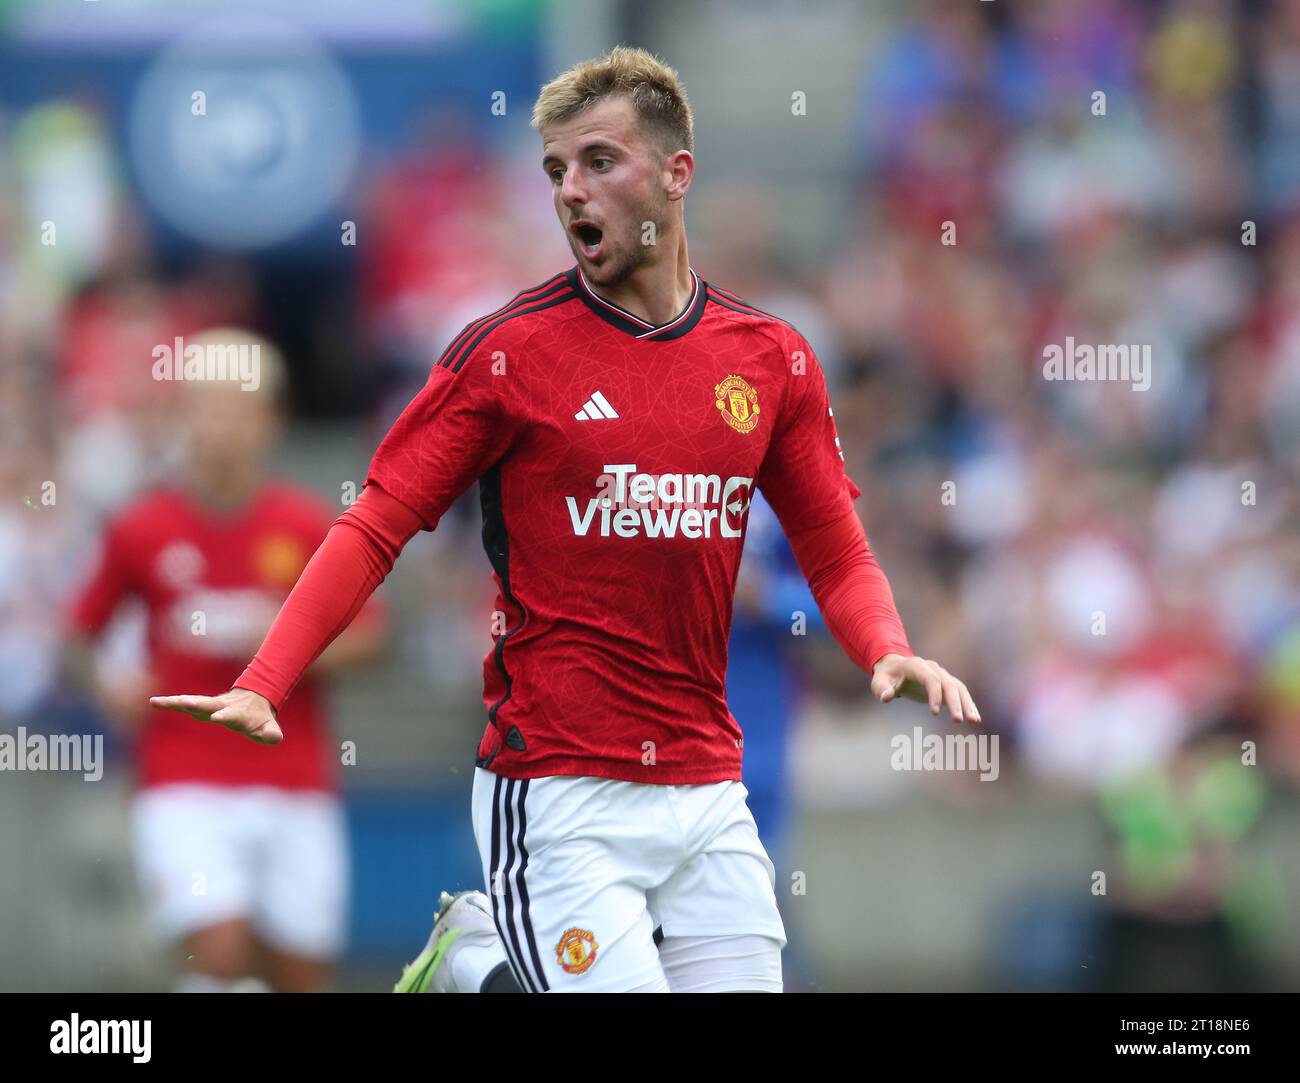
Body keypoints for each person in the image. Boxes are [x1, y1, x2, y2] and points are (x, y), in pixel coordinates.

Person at [151, 47, 980, 994]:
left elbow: (834, 545)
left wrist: (884, 642)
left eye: (597, 162)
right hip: (558, 788)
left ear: (677, 174)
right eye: (554, 171)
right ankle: (480, 962)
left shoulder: (771, 358)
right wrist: (267, 677)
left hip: (709, 788)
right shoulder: (506, 355)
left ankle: (488, 958)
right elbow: (375, 523)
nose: (570, 191)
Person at [66, 329, 387, 992]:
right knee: (218, 948)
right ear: (184, 416)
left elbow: (372, 638)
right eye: (206, 406)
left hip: (293, 778)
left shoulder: (306, 528)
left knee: (299, 974)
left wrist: (289, 641)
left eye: (238, 407)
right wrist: (108, 683)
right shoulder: (141, 528)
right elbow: (77, 635)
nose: (221, 425)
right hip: (183, 775)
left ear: (270, 421)